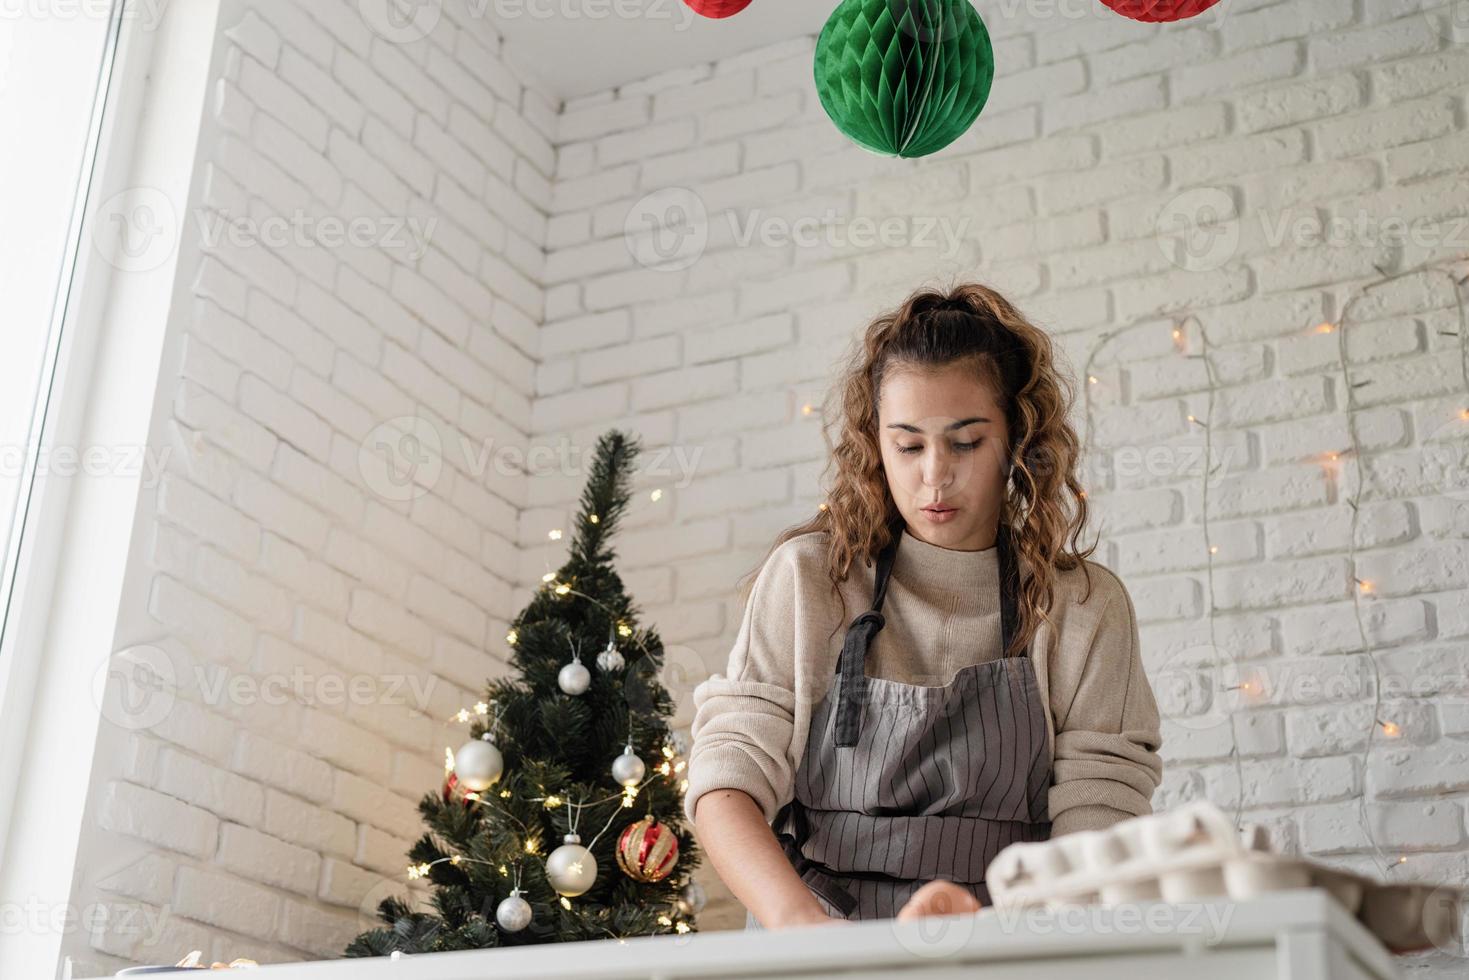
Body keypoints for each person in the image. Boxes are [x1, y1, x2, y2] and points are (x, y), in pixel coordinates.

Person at [683, 281, 1165, 930]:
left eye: (964, 442)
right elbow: (725, 782)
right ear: (875, 446)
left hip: (1010, 944)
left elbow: (1099, 822)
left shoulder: (1081, 606)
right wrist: (804, 928)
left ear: (1015, 440)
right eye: (908, 445)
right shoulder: (808, 581)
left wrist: (998, 925)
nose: (933, 475)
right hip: (816, 943)